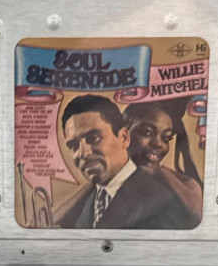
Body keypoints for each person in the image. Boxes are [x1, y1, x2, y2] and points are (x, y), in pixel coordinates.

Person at [54, 94, 188, 229]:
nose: (83, 154)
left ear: (124, 138)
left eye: (93, 138)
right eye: (74, 146)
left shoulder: (161, 203)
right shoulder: (88, 201)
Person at [123, 102, 203, 226]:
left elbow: (195, 219)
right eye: (147, 132)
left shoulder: (185, 185)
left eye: (166, 138)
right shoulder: (104, 181)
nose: (158, 143)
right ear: (123, 135)